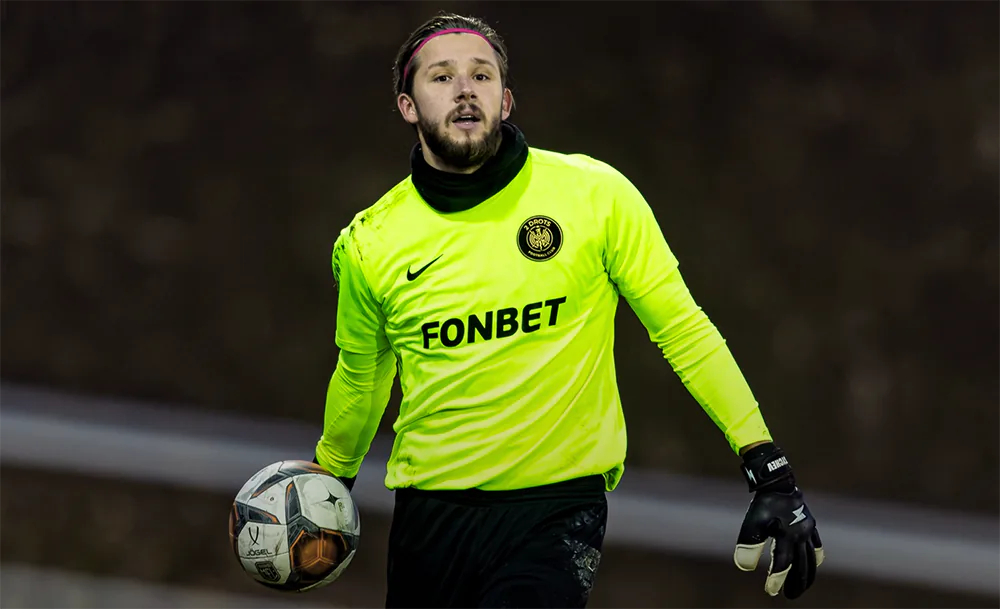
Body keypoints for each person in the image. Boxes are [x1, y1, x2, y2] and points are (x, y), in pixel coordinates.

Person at [313, 11, 824, 609]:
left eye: (481, 76)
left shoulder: (595, 196)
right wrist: (328, 481)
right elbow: (363, 375)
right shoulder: (371, 241)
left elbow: (684, 330)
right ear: (408, 105)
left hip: (556, 511)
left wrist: (767, 465)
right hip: (430, 518)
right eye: (442, 77)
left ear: (506, 100)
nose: (464, 90)